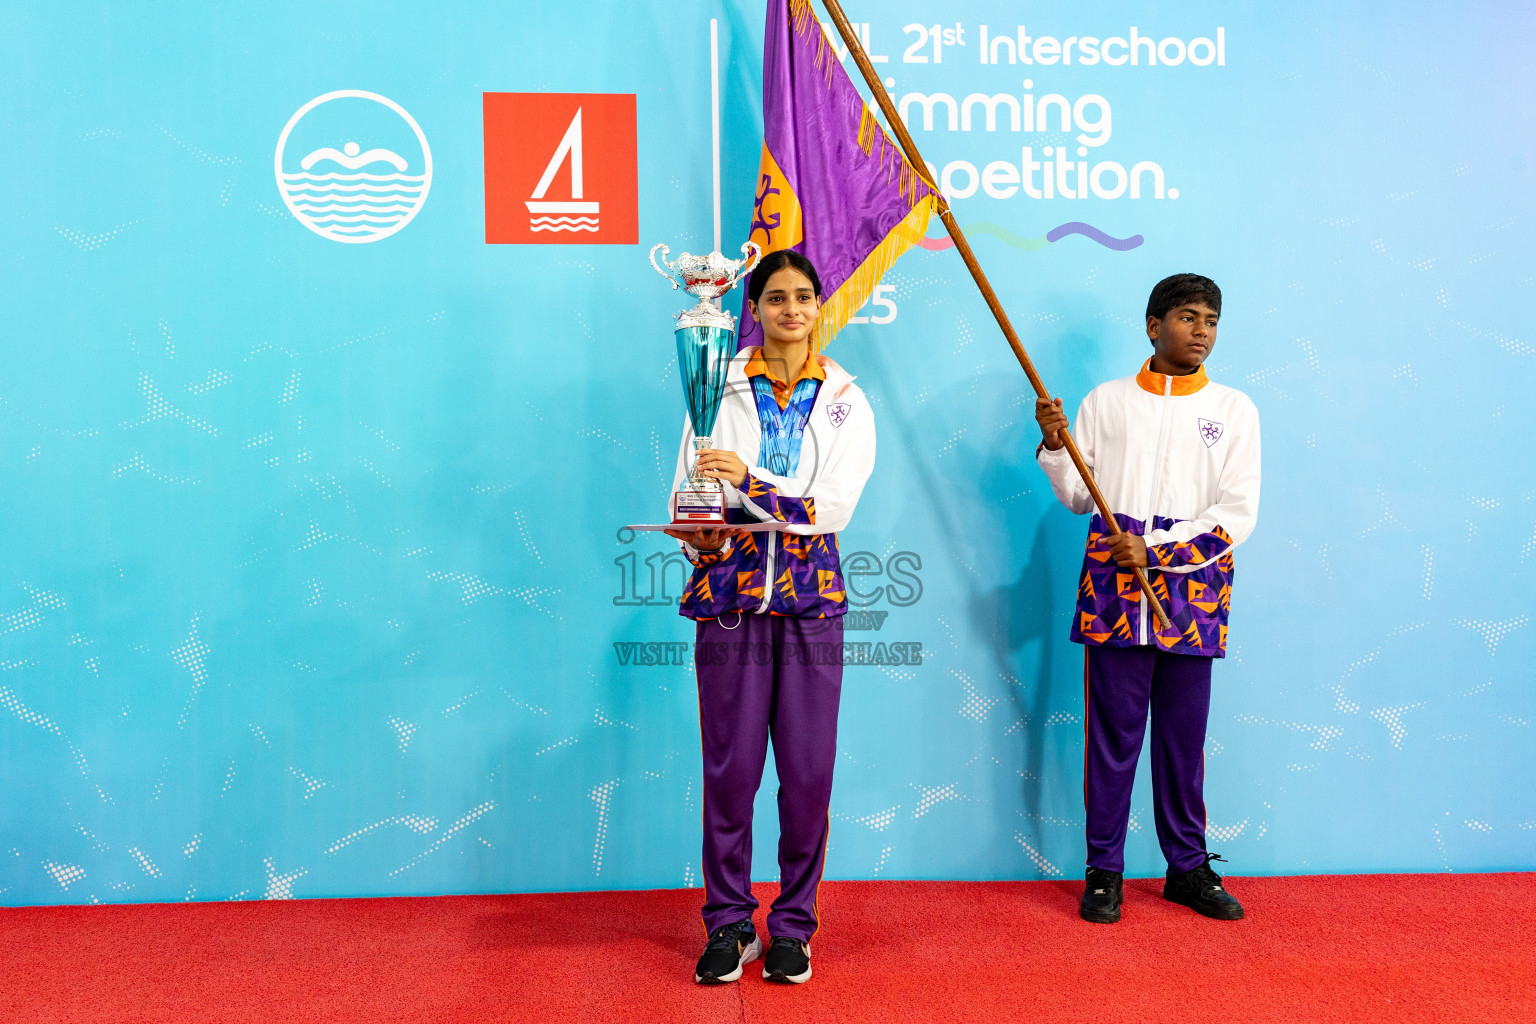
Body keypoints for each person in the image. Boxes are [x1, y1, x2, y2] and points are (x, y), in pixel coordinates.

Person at [664, 250, 875, 984]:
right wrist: (700, 529)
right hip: (731, 602)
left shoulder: (849, 400)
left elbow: (830, 509)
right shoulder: (716, 389)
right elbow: (686, 494)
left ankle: (793, 926)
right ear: (753, 309)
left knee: (809, 773)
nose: (791, 309)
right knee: (731, 773)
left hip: (812, 605)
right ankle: (728, 924)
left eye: (803, 297)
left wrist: (749, 482)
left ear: (820, 307)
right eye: (776, 297)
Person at [1034, 273, 1260, 924]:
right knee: (1111, 739)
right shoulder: (1106, 402)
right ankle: (1103, 870)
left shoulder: (1234, 410)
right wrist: (1056, 445)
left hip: (1192, 591)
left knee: (1183, 742)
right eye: (1188, 317)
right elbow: (1081, 496)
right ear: (1152, 325)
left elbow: (1237, 511)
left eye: (1212, 321)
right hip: (1114, 592)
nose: (1202, 332)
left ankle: (1187, 868)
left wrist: (1160, 552)